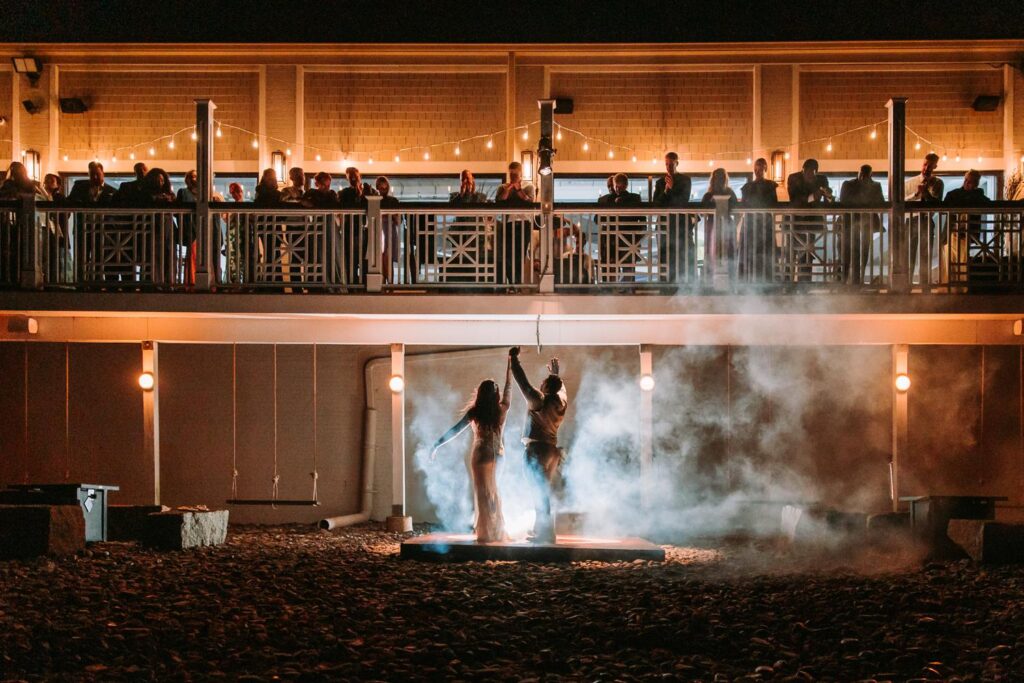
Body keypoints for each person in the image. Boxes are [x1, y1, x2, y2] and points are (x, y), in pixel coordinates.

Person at [430, 356, 513, 543]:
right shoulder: (502, 409)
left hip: (481, 455)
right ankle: (497, 531)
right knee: (494, 490)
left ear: (480, 394)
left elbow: (455, 431)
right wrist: (510, 364)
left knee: (482, 493)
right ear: (496, 395)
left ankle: (485, 533)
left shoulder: (474, 412)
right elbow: (509, 386)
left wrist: (436, 444)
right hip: (498, 454)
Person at [509, 346, 567, 544]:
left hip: (536, 451)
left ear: (544, 387)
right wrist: (556, 375)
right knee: (543, 491)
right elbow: (561, 389)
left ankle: (546, 534)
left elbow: (522, 382)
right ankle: (540, 529)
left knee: (538, 493)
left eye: (543, 383)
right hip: (552, 451)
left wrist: (513, 358)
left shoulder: (538, 401)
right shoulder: (561, 402)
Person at [786, 158, 833, 281]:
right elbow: (794, 199)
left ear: (816, 172)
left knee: (807, 255)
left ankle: (804, 287)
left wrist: (828, 195)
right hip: (794, 222)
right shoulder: (793, 178)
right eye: (808, 172)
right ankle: (787, 285)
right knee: (790, 255)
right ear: (803, 170)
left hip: (812, 223)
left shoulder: (822, 179)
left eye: (813, 173)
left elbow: (829, 201)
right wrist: (812, 197)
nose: (810, 175)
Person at [839, 165, 885, 286]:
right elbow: (843, 201)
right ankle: (844, 281)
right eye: (861, 174)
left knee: (864, 252)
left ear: (871, 175)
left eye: (866, 175)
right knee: (847, 252)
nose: (863, 177)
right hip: (849, 222)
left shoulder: (876, 186)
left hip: (866, 223)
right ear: (857, 173)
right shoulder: (847, 184)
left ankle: (858, 280)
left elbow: (881, 203)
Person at [944, 170, 992, 286]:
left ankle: (961, 286)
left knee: (963, 261)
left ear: (976, 184)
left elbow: (988, 204)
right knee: (949, 261)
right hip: (953, 233)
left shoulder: (976, 195)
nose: (967, 183)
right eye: (966, 180)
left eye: (970, 181)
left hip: (967, 234)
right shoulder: (953, 194)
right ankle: (950, 285)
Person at [443, 170, 491, 285]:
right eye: (464, 180)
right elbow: (451, 209)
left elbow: (481, 209)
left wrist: (470, 191)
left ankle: (476, 283)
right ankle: (458, 283)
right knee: (458, 258)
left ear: (473, 180)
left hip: (475, 233)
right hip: (460, 232)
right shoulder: (455, 196)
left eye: (468, 179)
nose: (467, 182)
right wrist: (461, 193)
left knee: (475, 259)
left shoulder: (480, 196)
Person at [652, 152, 693, 284]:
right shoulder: (659, 183)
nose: (668, 167)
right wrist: (665, 191)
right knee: (664, 256)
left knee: (680, 255)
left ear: (677, 163)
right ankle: (664, 283)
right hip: (664, 224)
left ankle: (680, 284)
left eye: (671, 164)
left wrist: (672, 188)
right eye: (666, 164)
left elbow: (683, 201)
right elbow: (656, 204)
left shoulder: (685, 180)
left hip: (680, 225)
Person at [904, 153, 944, 286]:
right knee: (909, 255)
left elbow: (937, 203)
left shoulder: (938, 183)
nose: (927, 168)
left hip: (927, 221)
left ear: (935, 166)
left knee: (925, 256)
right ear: (922, 163)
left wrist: (926, 193)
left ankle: (924, 286)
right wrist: (916, 194)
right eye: (925, 164)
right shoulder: (910, 182)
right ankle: (907, 285)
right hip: (911, 221)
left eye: (930, 166)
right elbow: (902, 202)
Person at [494, 161, 536, 288]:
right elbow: (499, 202)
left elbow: (529, 201)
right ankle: (514, 284)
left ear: (520, 173)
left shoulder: (529, 186)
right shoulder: (503, 187)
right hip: (509, 224)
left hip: (524, 224)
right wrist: (509, 188)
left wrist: (518, 188)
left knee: (520, 256)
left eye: (515, 174)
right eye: (511, 174)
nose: (513, 176)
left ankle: (516, 285)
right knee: (507, 256)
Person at [597, 173, 643, 283]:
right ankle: (621, 289)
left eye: (612, 185)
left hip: (621, 241)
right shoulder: (635, 198)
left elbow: (641, 220)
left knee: (624, 267)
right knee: (622, 268)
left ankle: (620, 288)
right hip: (620, 241)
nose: (611, 188)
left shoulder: (612, 200)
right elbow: (642, 220)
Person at [739, 158, 778, 281]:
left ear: (765, 169)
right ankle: (749, 279)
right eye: (756, 168)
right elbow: (744, 204)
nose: (758, 170)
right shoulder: (747, 186)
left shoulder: (771, 185)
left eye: (761, 168)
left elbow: (773, 203)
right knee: (750, 252)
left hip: (765, 223)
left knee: (766, 252)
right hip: (750, 223)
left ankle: (767, 280)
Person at [337, 167, 378, 285]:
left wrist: (367, 192)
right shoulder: (345, 192)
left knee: (363, 259)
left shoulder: (366, 190)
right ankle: (353, 284)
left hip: (362, 229)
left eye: (354, 176)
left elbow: (372, 204)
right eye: (350, 177)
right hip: (350, 229)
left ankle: (361, 284)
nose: (353, 179)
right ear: (347, 178)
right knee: (352, 260)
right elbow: (341, 207)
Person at [701, 168, 739, 284]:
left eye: (721, 177)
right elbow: (702, 212)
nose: (719, 179)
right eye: (717, 177)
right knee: (711, 252)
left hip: (727, 225)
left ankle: (729, 280)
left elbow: (737, 210)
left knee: (729, 252)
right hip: (712, 226)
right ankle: (711, 280)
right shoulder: (708, 195)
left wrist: (735, 226)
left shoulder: (730, 193)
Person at [175, 171, 200, 286]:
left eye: (196, 176)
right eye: (192, 177)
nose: (194, 179)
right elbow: (177, 212)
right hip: (190, 227)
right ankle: (190, 283)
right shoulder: (183, 192)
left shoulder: (203, 194)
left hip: (202, 228)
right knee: (191, 257)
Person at [375, 176, 401, 283]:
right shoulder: (375, 200)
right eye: (381, 188)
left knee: (388, 257)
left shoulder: (393, 200)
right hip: (379, 230)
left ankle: (389, 284)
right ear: (377, 188)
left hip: (389, 230)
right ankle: (383, 283)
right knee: (380, 259)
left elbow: (398, 220)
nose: (384, 190)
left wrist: (388, 215)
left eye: (385, 188)